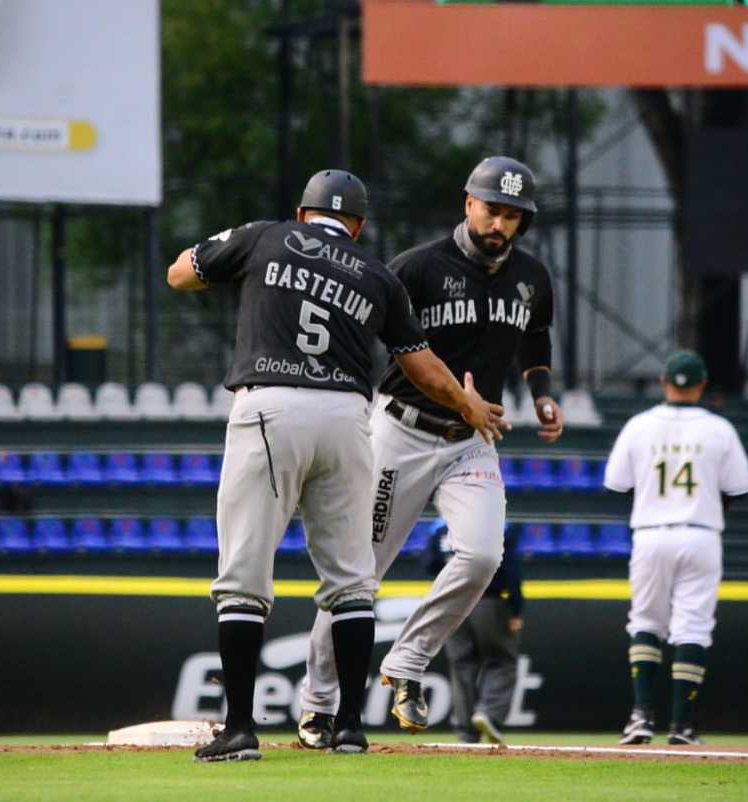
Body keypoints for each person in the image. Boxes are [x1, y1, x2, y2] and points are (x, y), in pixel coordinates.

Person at [167, 169, 506, 762]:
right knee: (352, 580)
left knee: (245, 575)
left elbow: (180, 274)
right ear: (358, 226)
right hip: (351, 418)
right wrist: (468, 404)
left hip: (270, 406)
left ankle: (241, 728)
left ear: (304, 215)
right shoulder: (378, 275)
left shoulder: (266, 237)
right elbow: (422, 365)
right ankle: (349, 727)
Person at [297, 156, 563, 747]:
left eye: (514, 216)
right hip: (402, 432)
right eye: (493, 209)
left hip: (472, 442)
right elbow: (361, 333)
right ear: (468, 203)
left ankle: (408, 661)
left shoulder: (532, 276)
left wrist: (541, 395)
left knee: (482, 557)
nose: (501, 223)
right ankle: (318, 704)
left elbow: (535, 336)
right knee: (356, 575)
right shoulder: (416, 268)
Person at [602, 350, 748, 746]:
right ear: (702, 385)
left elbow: (617, 484)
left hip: (651, 531)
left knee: (646, 622)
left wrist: (653, 501)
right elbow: (738, 489)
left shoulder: (639, 426)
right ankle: (682, 726)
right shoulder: (719, 428)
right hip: (700, 532)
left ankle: (640, 718)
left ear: (663, 383)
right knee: (693, 627)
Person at [424, 518, 523, 745]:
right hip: (488, 600)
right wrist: (516, 609)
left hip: (451, 602)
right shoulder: (497, 526)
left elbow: (428, 564)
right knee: (502, 660)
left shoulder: (440, 528)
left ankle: (466, 731)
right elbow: (511, 571)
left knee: (461, 665)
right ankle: (490, 713)